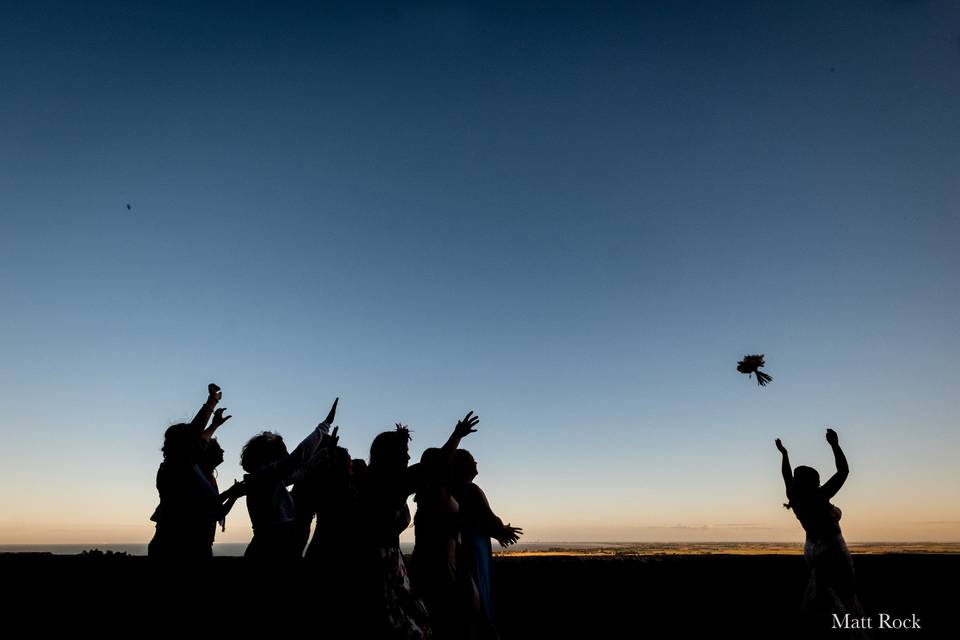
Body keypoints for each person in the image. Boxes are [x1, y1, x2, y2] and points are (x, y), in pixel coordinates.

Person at [356, 411, 480, 640]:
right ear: (389, 456)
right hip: (380, 569)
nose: (407, 457)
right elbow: (433, 466)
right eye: (403, 453)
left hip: (387, 564)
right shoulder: (388, 484)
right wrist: (457, 436)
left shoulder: (378, 481)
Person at [776, 429, 865, 636]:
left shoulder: (795, 497)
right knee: (845, 592)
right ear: (813, 482)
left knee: (822, 586)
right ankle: (849, 629)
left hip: (811, 548)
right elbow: (843, 471)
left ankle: (817, 621)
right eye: (816, 480)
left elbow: (786, 475)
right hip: (832, 546)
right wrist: (834, 444)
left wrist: (784, 454)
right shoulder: (819, 495)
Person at [148, 383, 243, 558]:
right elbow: (193, 438)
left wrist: (214, 425)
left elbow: (197, 439)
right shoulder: (176, 468)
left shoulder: (180, 468)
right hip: (178, 549)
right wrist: (211, 401)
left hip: (189, 546)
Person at [240, 397, 339, 559]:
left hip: (274, 548)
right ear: (270, 455)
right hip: (270, 553)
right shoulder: (263, 476)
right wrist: (325, 425)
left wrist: (324, 451)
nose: (287, 454)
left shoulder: (269, 480)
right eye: (283, 451)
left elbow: (301, 471)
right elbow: (298, 460)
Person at [451, 449, 522, 637]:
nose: (476, 463)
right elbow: (488, 518)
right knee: (478, 589)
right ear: (463, 466)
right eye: (472, 460)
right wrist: (502, 530)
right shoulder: (471, 489)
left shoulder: (453, 490)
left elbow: (474, 521)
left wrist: (498, 532)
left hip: (465, 545)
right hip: (475, 547)